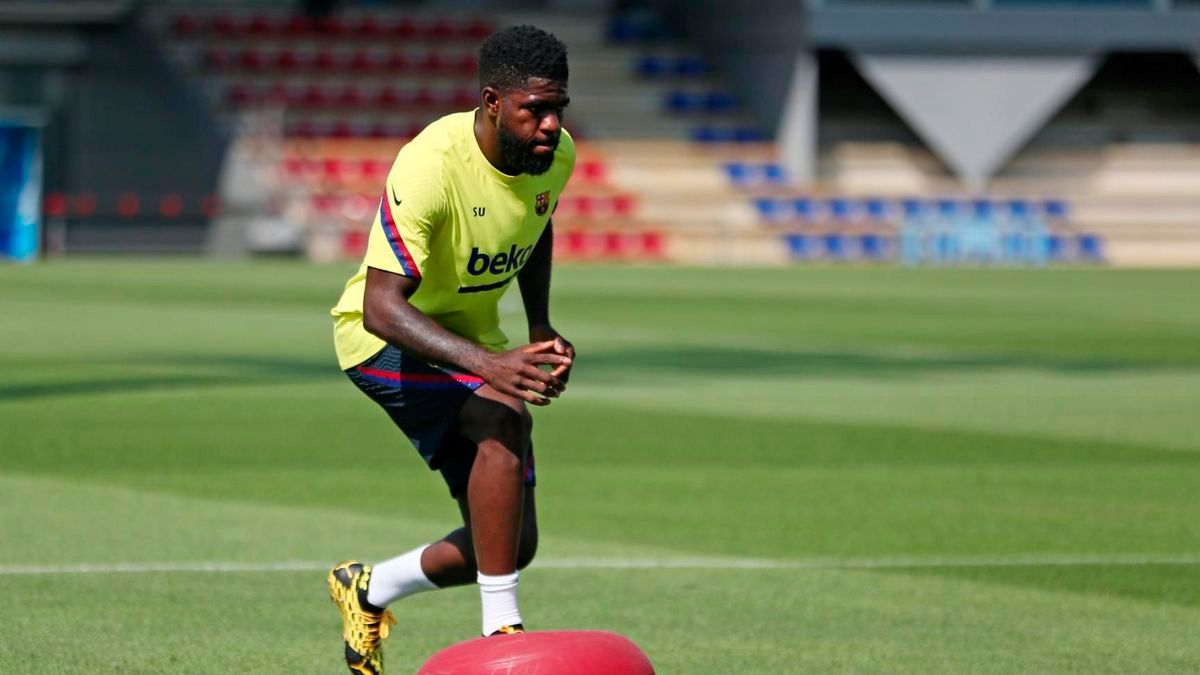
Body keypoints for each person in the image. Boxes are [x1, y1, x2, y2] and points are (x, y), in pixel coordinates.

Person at [325, 24, 575, 675]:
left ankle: (368, 589)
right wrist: (491, 364)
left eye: (558, 109)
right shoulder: (431, 164)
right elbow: (382, 303)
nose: (551, 125)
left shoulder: (554, 157)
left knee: (511, 542)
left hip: (468, 341)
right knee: (502, 412)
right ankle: (503, 634)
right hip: (379, 339)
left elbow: (533, 222)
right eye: (536, 110)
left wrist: (540, 325)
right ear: (493, 102)